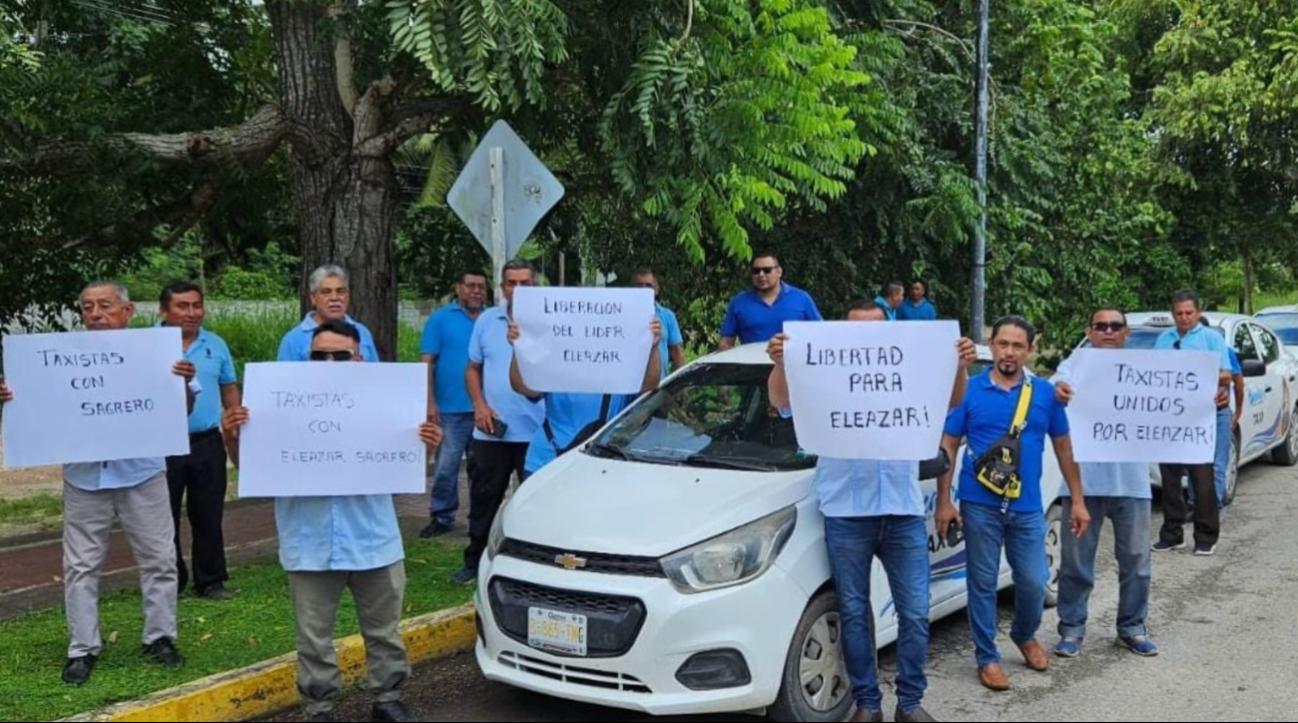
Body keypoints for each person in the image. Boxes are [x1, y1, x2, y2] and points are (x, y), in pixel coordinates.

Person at [220, 320, 442, 723]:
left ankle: (388, 698)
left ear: (358, 358)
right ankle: (319, 706)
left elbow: (404, 473)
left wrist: (424, 445)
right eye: (319, 355)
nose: (328, 362)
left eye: (339, 355)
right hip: (309, 541)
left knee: (384, 631)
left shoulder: (388, 405)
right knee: (313, 637)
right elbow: (254, 471)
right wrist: (232, 437)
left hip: (373, 537)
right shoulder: (278, 407)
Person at [766, 299, 977, 723]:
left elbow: (951, 401)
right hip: (845, 510)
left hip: (901, 510)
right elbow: (781, 401)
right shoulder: (822, 370)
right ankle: (868, 703)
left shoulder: (910, 369)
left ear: (892, 330)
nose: (864, 338)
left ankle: (911, 703)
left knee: (916, 612)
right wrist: (781, 362)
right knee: (855, 612)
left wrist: (957, 364)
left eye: (874, 329)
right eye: (855, 329)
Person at [0, 281, 194, 685]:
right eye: (87, 306)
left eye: (105, 305)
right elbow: (35, 407)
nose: (95, 313)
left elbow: (184, 409)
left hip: (142, 472)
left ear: (127, 312)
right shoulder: (55, 360)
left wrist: (180, 384)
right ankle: (82, 648)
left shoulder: (157, 356)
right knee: (81, 566)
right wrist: (13, 398)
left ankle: (159, 637)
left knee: (160, 559)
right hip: (85, 477)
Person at [935, 315, 1089, 692]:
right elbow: (948, 445)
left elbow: (1064, 446)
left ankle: (1024, 634)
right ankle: (987, 657)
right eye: (1003, 344)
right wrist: (944, 501)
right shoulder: (968, 391)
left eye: (1018, 346)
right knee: (983, 582)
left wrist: (1079, 499)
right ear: (992, 343)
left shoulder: (1046, 394)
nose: (1009, 352)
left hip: (1027, 505)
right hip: (978, 504)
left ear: (1030, 350)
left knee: (1035, 581)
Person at [1051, 308, 1160, 658]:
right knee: (1076, 564)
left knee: (1136, 563)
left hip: (1132, 483)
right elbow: (1056, 386)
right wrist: (1060, 391)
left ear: (1126, 332)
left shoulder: (1145, 372)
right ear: (1090, 331)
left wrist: (1211, 400)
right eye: (1101, 326)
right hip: (1082, 485)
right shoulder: (1074, 366)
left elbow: (1179, 404)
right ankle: (1071, 629)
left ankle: (1132, 628)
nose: (1109, 331)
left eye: (1116, 326)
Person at [450, 260, 547, 586]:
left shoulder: (551, 322)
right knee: (483, 501)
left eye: (524, 283)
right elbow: (472, 369)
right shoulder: (487, 322)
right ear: (502, 287)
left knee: (537, 507)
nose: (517, 289)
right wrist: (479, 405)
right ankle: (475, 561)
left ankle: (533, 568)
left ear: (535, 286)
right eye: (511, 283)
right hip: (492, 431)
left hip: (538, 433)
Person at [158, 280, 241, 600]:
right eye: (182, 306)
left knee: (208, 512)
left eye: (196, 305)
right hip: (162, 443)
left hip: (206, 441)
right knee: (163, 516)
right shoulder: (147, 344)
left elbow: (229, 387)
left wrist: (235, 422)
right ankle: (170, 580)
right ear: (165, 309)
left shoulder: (215, 344)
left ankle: (210, 580)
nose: (191, 313)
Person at [508, 317, 663, 477]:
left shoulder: (620, 370)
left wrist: (652, 348)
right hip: (547, 462)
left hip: (603, 466)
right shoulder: (555, 363)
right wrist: (518, 348)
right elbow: (523, 387)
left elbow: (649, 386)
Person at [1151, 290, 1232, 556]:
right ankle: (1172, 533)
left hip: (1201, 417)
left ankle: (1206, 536)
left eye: (1189, 313)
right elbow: (1152, 374)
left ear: (1198, 312)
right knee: (1170, 478)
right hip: (1171, 418)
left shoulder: (1211, 339)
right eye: (1179, 313)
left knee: (1202, 478)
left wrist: (1201, 376)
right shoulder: (1164, 339)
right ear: (1172, 313)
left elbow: (1226, 375)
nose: (1184, 318)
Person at [418, 269, 488, 538]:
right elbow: (427, 362)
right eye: (470, 286)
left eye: (481, 286)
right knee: (446, 467)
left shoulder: (492, 318)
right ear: (458, 288)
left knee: (481, 469)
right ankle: (442, 516)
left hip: (484, 408)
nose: (476, 291)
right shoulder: (440, 320)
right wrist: (429, 402)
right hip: (449, 409)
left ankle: (479, 518)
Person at [718, 252, 821, 349]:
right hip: (753, 365)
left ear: (779, 272)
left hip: (793, 365)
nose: (761, 275)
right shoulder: (739, 302)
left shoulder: (801, 299)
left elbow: (820, 334)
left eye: (767, 270)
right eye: (756, 271)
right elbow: (725, 342)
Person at [277, 265, 379, 362]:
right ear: (313, 298)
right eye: (326, 292)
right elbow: (286, 377)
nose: (334, 298)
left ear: (348, 296)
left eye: (341, 291)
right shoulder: (293, 340)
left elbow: (374, 374)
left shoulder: (362, 332)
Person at [630, 269, 686, 379]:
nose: (644, 289)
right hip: (629, 387)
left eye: (648, 285)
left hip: (660, 386)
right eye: (639, 285)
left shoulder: (667, 316)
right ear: (631, 289)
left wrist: (683, 386)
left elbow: (677, 352)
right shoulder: (622, 315)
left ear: (656, 290)